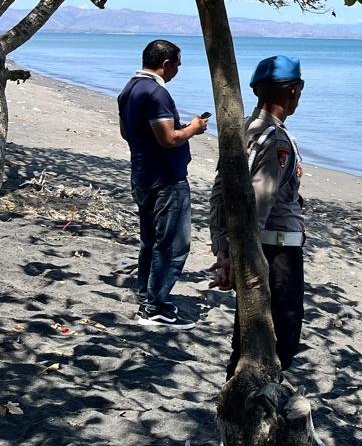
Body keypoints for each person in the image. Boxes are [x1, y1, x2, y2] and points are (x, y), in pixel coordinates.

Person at [209, 55, 306, 377]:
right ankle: (256, 405)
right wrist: (239, 259)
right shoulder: (275, 139)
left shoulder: (242, 131)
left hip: (253, 248)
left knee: (249, 333)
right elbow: (258, 203)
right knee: (282, 336)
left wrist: (223, 249)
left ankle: (238, 398)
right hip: (276, 251)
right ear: (294, 90)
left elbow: (219, 195)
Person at [117, 39, 208, 329]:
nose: (178, 70)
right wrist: (192, 129)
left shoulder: (129, 88)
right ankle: (155, 306)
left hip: (143, 172)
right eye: (177, 64)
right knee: (173, 244)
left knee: (150, 241)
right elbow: (168, 139)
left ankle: (147, 296)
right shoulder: (156, 93)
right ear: (166, 64)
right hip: (165, 179)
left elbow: (128, 132)